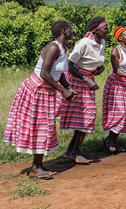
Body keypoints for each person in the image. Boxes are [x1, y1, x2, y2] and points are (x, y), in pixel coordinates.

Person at [4, 21, 76, 179]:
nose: (73, 32)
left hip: (46, 92)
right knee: (40, 128)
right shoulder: (53, 47)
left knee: (44, 128)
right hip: (37, 91)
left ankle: (39, 165)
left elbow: (59, 73)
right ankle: (36, 168)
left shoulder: (63, 49)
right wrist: (63, 91)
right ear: (64, 31)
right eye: (71, 29)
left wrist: (68, 87)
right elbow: (44, 73)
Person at [57, 16, 107, 164]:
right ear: (96, 30)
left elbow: (98, 62)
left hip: (89, 81)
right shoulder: (84, 43)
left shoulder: (102, 42)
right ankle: (76, 151)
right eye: (105, 29)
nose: (107, 32)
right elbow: (70, 64)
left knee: (85, 116)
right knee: (87, 115)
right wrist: (86, 79)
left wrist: (100, 69)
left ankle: (71, 151)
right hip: (76, 81)